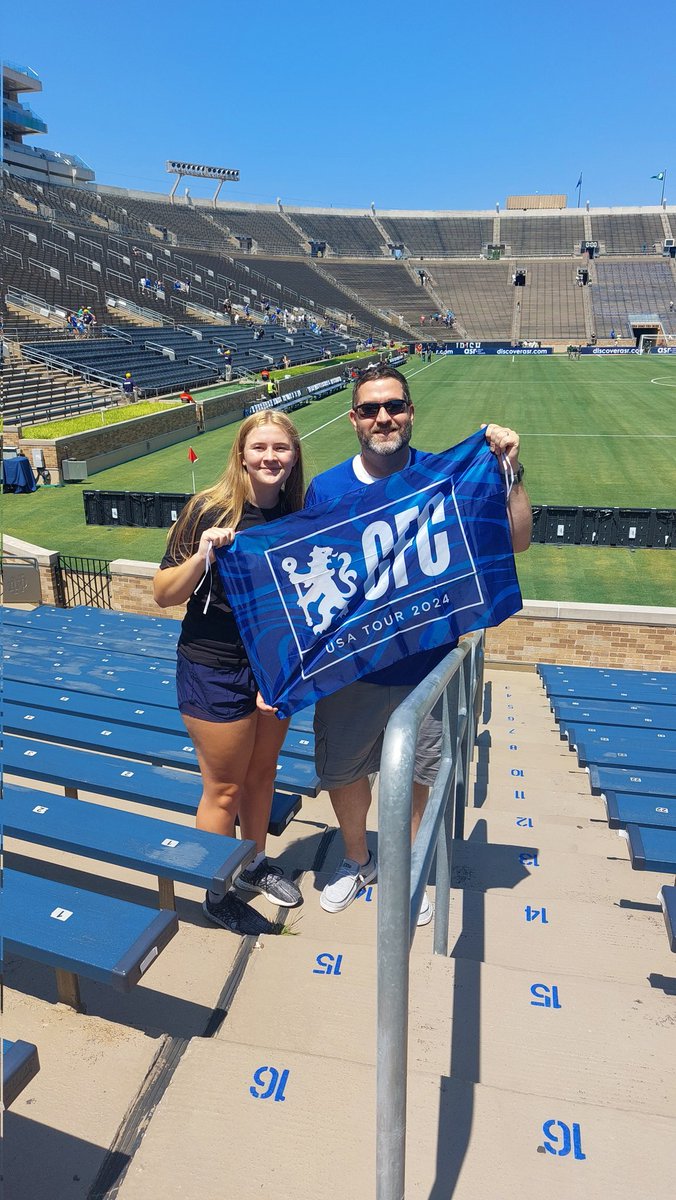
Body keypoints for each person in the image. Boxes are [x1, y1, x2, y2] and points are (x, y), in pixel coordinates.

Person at [304, 363, 532, 922]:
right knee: (346, 774)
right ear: (353, 418)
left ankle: (406, 868)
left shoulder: (446, 475)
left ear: (410, 411)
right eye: (370, 409)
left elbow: (518, 541)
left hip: (424, 668)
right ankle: (358, 861)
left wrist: (510, 471)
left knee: (416, 776)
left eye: (394, 406)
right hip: (351, 669)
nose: (383, 417)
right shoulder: (327, 488)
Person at [153, 413, 305, 934]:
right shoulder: (208, 510)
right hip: (214, 665)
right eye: (259, 447)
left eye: (280, 448)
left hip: (275, 667)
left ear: (293, 456)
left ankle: (254, 863)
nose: (270, 457)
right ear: (241, 454)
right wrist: (200, 556)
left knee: (263, 775)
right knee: (223, 789)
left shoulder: (299, 512)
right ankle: (215, 893)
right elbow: (163, 593)